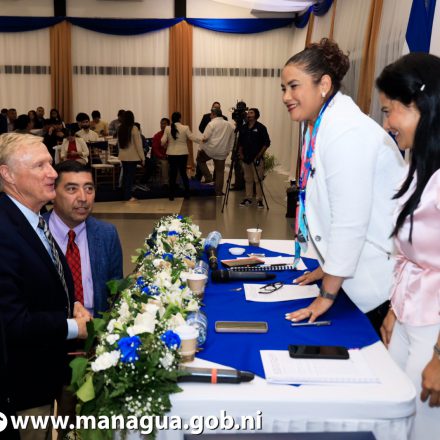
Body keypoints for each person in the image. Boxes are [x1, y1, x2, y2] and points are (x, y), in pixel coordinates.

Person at [281, 38, 406, 335]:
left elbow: (350, 220)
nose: (286, 97)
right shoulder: (319, 124)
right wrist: (326, 267)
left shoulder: (346, 130)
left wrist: (326, 295)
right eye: (283, 89)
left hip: (377, 283)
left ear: (323, 84)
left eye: (294, 86)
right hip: (352, 272)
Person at [0, 133, 90, 440]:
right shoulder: (5, 230)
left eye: (50, 164)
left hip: (47, 373)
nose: (53, 173)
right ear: (8, 174)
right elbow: (12, 322)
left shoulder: (31, 217)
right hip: (23, 386)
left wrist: (71, 304)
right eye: (40, 166)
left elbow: (38, 282)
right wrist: (74, 327)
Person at [376, 53, 440, 440]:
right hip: (409, 316)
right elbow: (407, 255)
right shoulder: (420, 168)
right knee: (393, 424)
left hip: (434, 329)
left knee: (423, 430)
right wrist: (394, 309)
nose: (386, 124)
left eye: (389, 111)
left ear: (420, 105)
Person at [44, 160, 123, 317]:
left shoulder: (107, 234)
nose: (83, 198)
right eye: (72, 189)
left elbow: (116, 291)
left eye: (89, 189)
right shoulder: (33, 232)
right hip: (50, 326)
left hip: (96, 325)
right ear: (52, 193)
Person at [161, 111, 200, 201]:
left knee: (172, 174)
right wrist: (202, 141)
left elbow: (163, 141)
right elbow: (192, 137)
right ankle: (187, 193)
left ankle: (171, 195)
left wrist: (164, 145)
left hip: (171, 154)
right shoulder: (185, 128)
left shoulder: (167, 128)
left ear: (172, 119)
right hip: (183, 153)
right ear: (180, 118)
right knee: (183, 173)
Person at [197, 107, 234, 197]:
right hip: (222, 151)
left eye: (211, 114)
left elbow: (205, 138)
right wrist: (229, 150)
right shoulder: (229, 125)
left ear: (214, 114)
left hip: (210, 150)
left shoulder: (211, 124)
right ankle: (218, 193)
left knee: (199, 160)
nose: (210, 116)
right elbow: (232, 139)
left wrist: (200, 149)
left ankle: (209, 178)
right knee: (220, 172)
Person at [238, 108, 271, 209]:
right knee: (248, 179)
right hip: (245, 158)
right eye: (248, 113)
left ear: (256, 115)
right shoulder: (243, 128)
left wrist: (259, 156)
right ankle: (248, 198)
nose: (249, 114)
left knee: (258, 180)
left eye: (251, 113)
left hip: (257, 159)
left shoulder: (261, 127)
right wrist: (241, 154)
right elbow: (240, 142)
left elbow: (267, 143)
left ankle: (259, 200)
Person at [118, 110, 145, 201]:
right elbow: (138, 145)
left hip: (123, 156)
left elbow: (119, 144)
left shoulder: (120, 128)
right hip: (132, 157)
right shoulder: (134, 128)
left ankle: (124, 194)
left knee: (125, 176)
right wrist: (142, 158)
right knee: (130, 177)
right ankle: (128, 196)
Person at [151, 117, 170, 186]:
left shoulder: (172, 135)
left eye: (164, 124)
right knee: (164, 163)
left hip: (170, 156)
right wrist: (161, 156)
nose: (162, 125)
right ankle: (165, 183)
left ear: (169, 125)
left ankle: (176, 183)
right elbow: (155, 149)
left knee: (177, 162)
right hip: (160, 157)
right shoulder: (157, 135)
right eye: (161, 124)